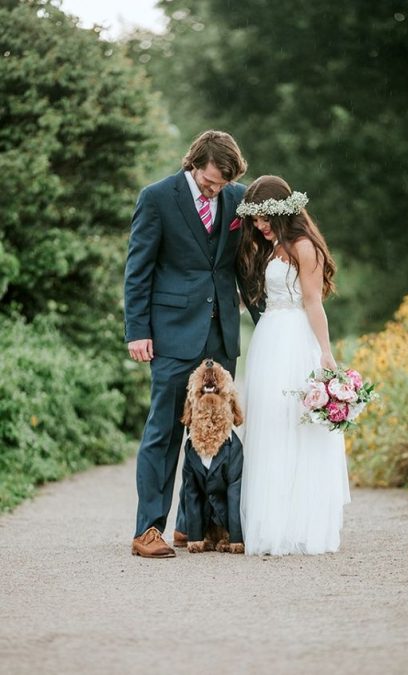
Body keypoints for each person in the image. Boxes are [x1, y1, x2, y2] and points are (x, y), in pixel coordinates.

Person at [124, 130, 258, 558]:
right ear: (194, 163)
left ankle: (196, 525)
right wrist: (137, 330)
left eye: (222, 184)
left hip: (221, 335)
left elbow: (244, 266)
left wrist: (270, 320)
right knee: (164, 431)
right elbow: (138, 269)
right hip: (170, 332)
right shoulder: (157, 198)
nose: (216, 189)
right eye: (210, 181)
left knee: (216, 435)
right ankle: (148, 529)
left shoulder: (237, 198)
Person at [237, 175, 351, 556]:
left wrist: (325, 352)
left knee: (297, 427)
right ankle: (271, 524)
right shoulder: (271, 249)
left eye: (265, 218)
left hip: (296, 341)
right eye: (255, 220)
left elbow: (313, 302)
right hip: (268, 340)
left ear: (284, 212)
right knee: (269, 425)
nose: (260, 226)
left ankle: (301, 524)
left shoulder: (305, 247)